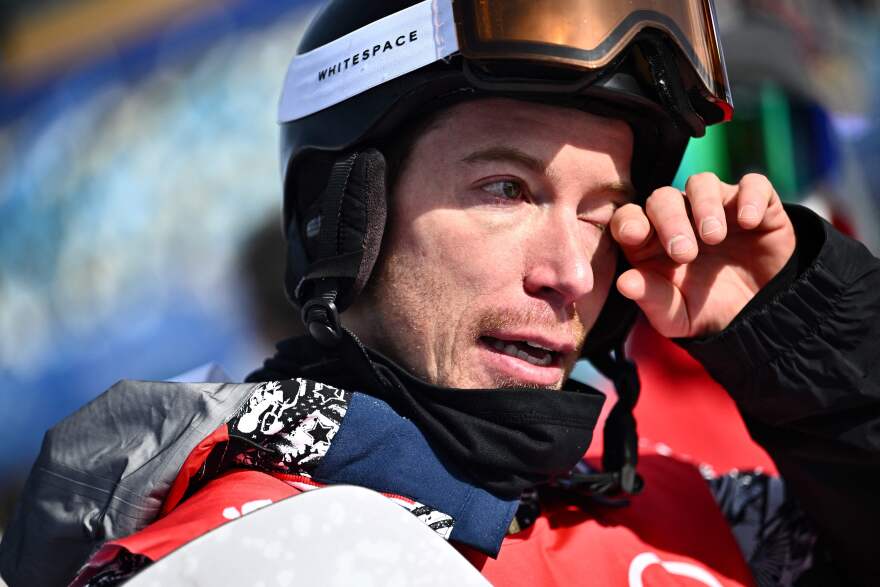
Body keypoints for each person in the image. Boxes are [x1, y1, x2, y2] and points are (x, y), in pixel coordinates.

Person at [2, 1, 879, 586]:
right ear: (348, 221)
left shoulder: (705, 515)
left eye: (603, 213)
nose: (573, 271)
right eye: (506, 190)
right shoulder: (246, 548)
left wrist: (811, 345)